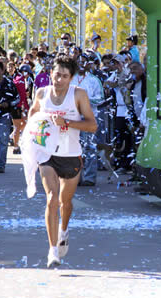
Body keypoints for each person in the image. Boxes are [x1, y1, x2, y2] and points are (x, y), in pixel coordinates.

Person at [27, 56, 97, 268]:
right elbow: (32, 114)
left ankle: (63, 230)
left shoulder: (78, 95)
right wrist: (29, 131)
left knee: (65, 203)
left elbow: (92, 125)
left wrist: (66, 122)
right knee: (51, 198)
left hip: (71, 154)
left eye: (64, 76)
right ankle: (52, 250)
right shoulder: (41, 93)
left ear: (71, 78)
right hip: (47, 153)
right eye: (57, 75)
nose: (59, 80)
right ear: (51, 74)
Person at [72, 54, 104, 186]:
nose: (81, 64)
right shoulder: (70, 78)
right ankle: (75, 177)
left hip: (89, 119)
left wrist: (86, 101)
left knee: (90, 147)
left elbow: (101, 98)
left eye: (84, 62)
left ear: (88, 64)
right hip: (73, 119)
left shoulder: (94, 80)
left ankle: (90, 177)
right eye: (79, 62)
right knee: (74, 148)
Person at [7, 61, 29, 154]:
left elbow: (23, 94)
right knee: (17, 126)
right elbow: (22, 94)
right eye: (9, 67)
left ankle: (12, 136)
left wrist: (25, 105)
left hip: (19, 105)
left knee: (24, 123)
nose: (11, 68)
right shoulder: (10, 79)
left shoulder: (19, 78)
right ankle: (16, 147)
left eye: (12, 66)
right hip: (15, 105)